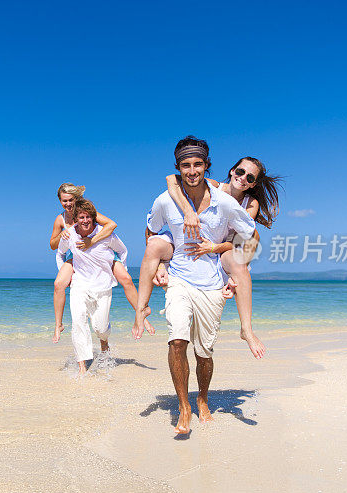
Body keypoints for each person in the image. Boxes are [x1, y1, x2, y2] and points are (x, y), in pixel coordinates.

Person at [135, 135, 259, 434]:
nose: (192, 171)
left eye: (198, 164)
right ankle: (184, 405)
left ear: (208, 166)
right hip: (179, 279)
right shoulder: (165, 200)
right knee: (177, 341)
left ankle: (202, 398)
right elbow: (151, 232)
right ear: (179, 168)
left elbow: (250, 238)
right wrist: (161, 266)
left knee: (204, 353)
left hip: (212, 284)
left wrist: (223, 256)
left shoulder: (227, 204)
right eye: (186, 165)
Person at [132, 156, 281, 359]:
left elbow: (240, 241)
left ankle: (246, 329)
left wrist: (214, 247)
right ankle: (142, 308)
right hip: (187, 239)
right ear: (232, 171)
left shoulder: (250, 203)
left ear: (254, 183)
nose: (243, 178)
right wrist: (187, 211)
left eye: (250, 177)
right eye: (240, 171)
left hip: (223, 247)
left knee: (246, 253)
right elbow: (171, 180)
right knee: (155, 245)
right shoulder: (212, 186)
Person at [50, 183, 153, 342]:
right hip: (77, 256)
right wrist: (62, 235)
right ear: (60, 201)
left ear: (76, 198)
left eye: (71, 200)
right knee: (58, 284)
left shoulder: (88, 213)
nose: (68, 204)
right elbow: (52, 245)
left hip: (101, 253)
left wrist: (91, 241)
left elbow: (112, 225)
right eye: (64, 201)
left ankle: (141, 315)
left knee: (126, 279)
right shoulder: (60, 219)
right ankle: (58, 325)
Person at [56, 198, 130, 374]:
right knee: (78, 322)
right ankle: (82, 366)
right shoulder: (70, 235)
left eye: (88, 217)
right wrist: (67, 272)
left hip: (102, 286)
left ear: (94, 218)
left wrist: (118, 268)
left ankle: (104, 343)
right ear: (76, 218)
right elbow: (60, 253)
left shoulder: (105, 235)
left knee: (101, 328)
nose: (85, 220)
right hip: (79, 285)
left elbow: (122, 250)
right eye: (81, 217)